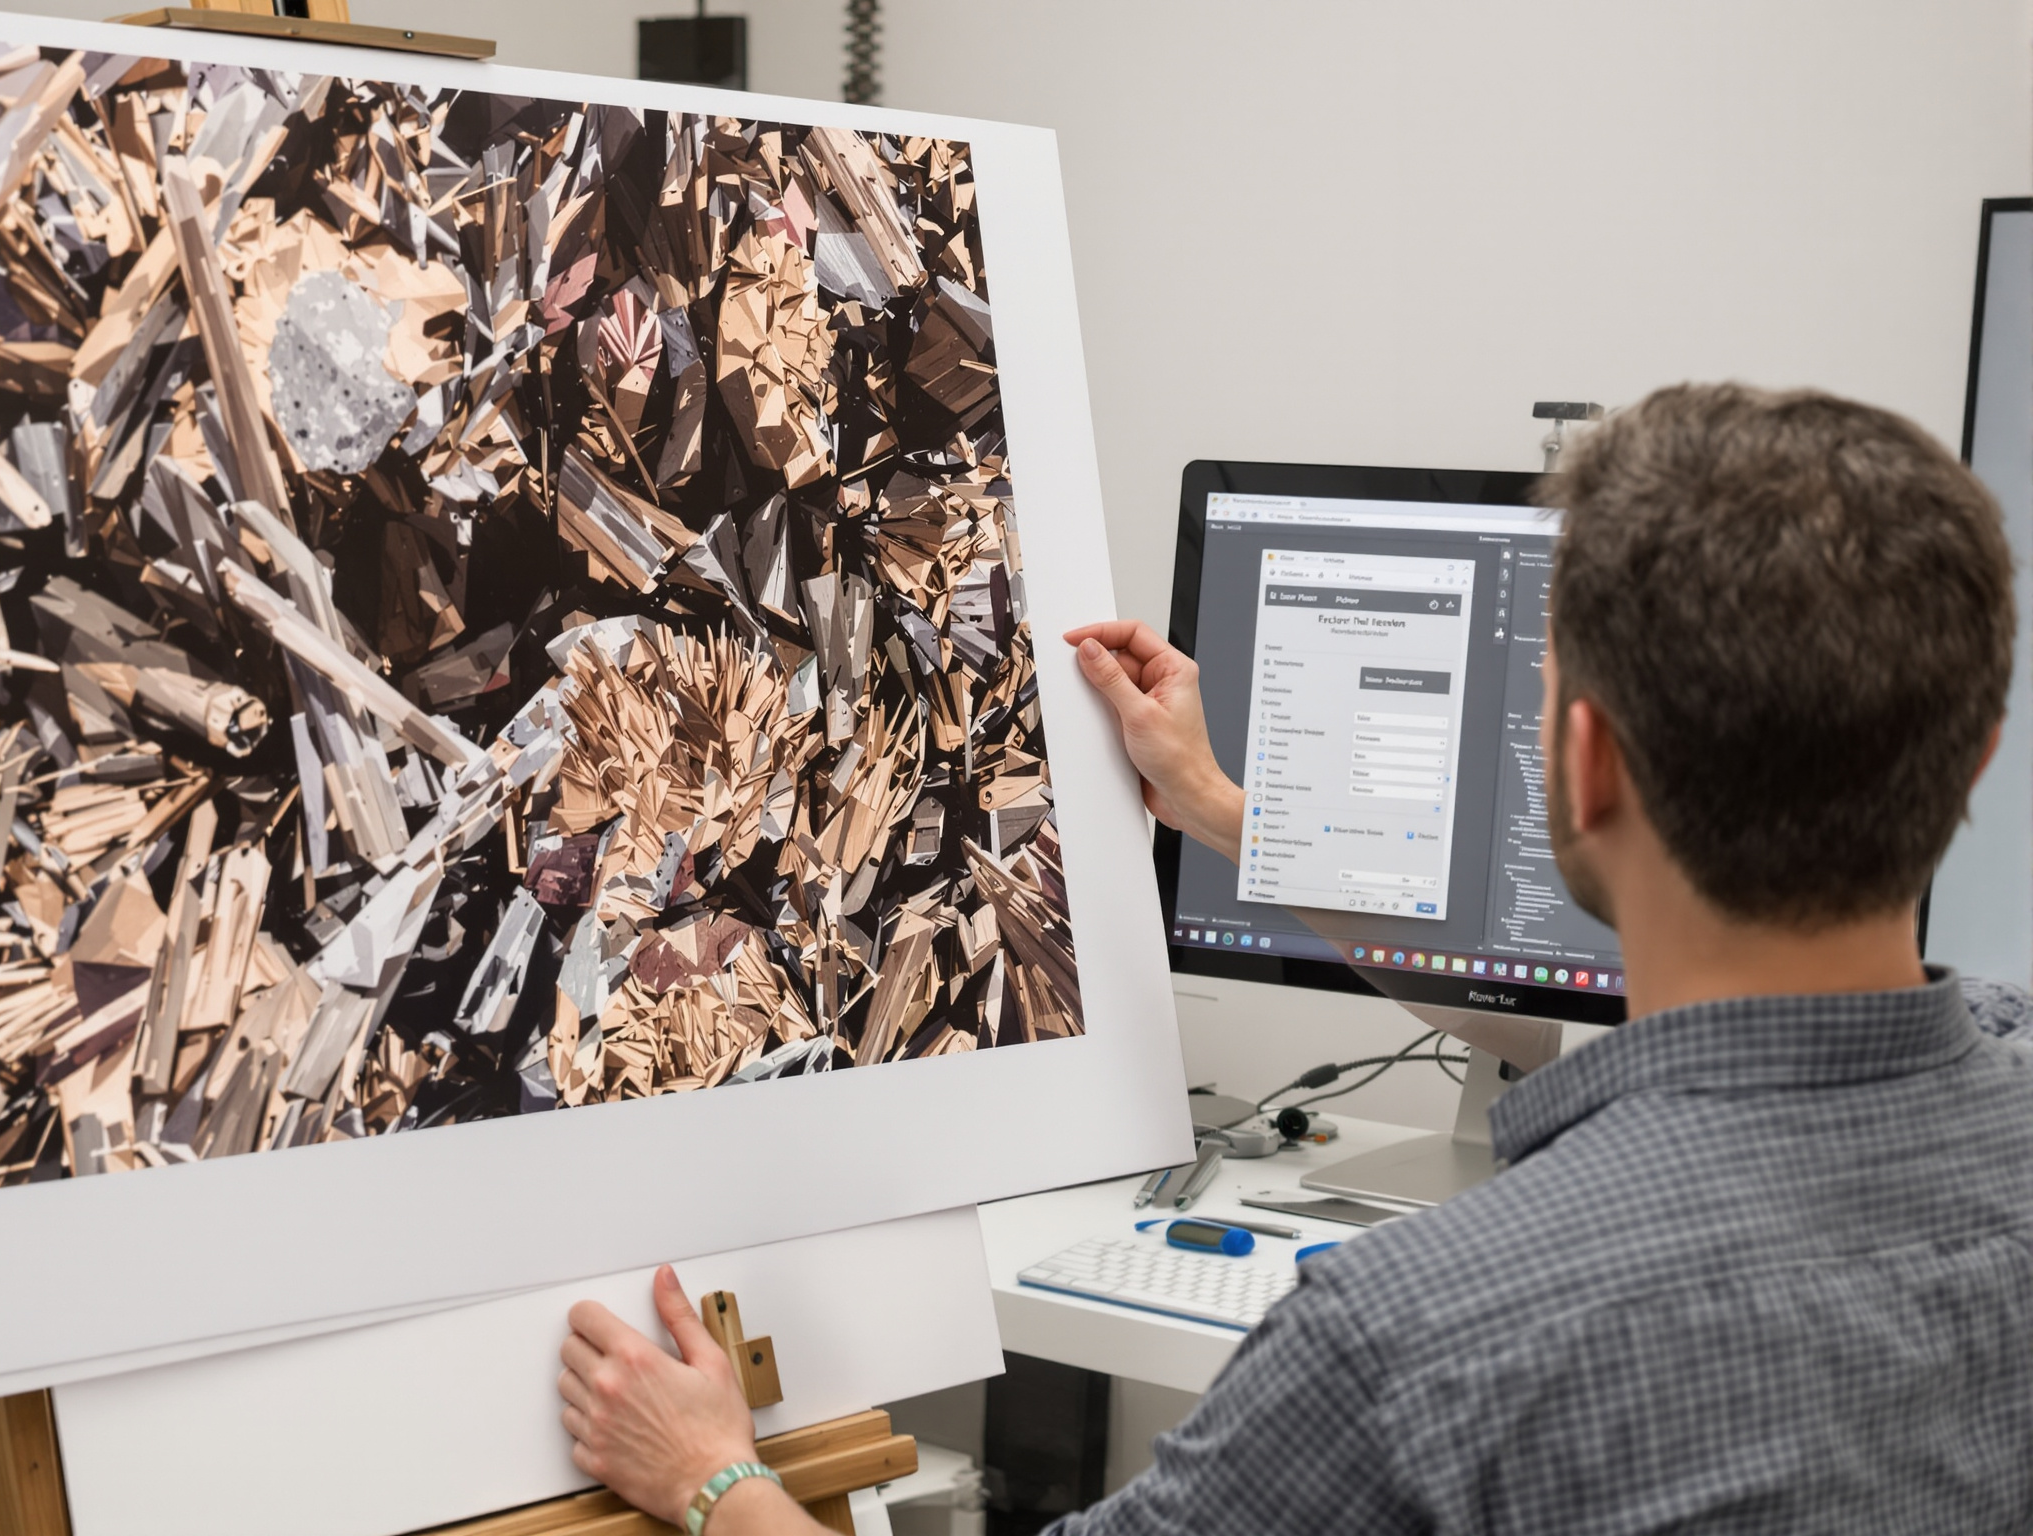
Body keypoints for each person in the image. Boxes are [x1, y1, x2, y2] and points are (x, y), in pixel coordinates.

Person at [555, 383, 2033, 1534]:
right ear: (1973, 755)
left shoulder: (1421, 1337)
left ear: (1583, 766)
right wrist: (1215, 809)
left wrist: (710, 1479)